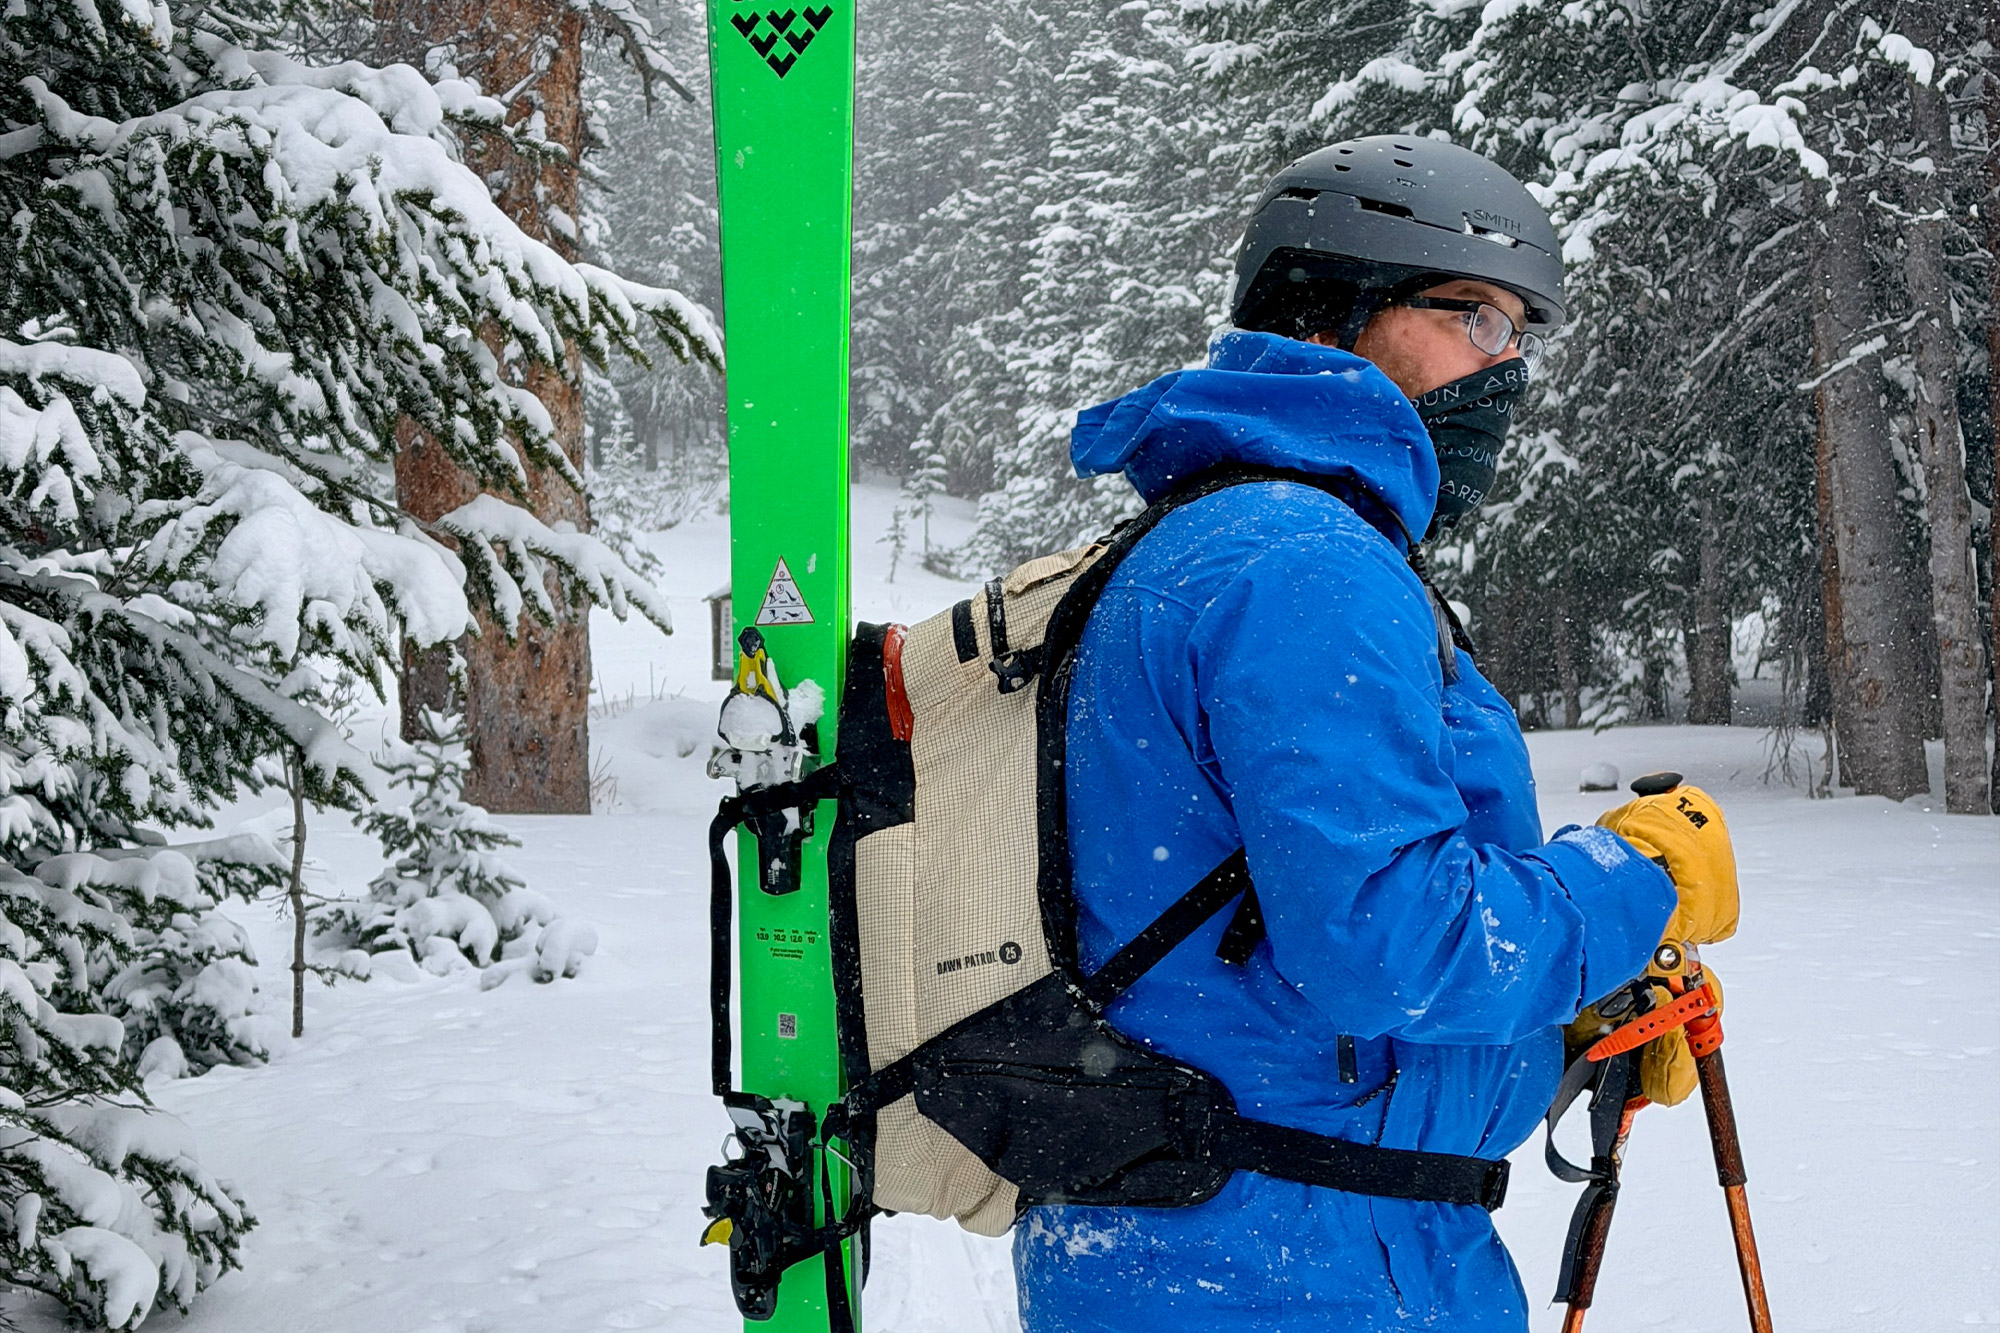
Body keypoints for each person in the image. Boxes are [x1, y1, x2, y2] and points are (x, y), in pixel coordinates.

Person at [1011, 137, 1739, 1331]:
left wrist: (1567, 1007)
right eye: (1475, 320)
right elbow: (1387, 946)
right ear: (1336, 310)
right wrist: (1638, 880)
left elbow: (1237, 947)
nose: (1504, 372)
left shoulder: (1228, 537)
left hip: (1230, 1228)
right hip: (1291, 1260)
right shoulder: (1305, 563)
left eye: (1517, 336)